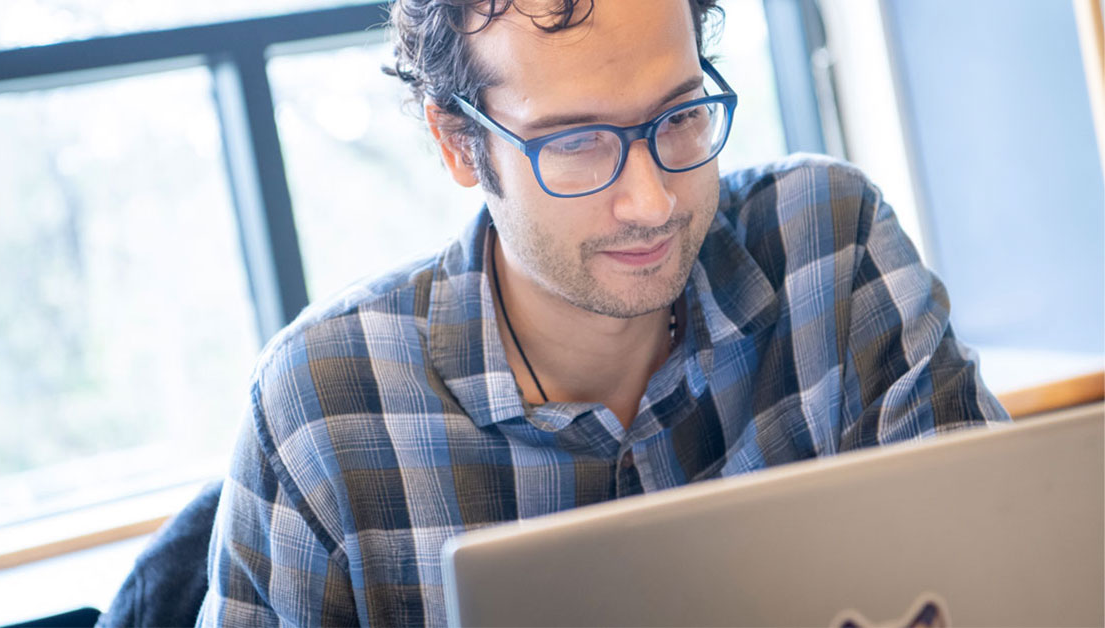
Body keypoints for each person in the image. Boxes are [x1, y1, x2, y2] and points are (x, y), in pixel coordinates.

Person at [197, 1, 1009, 625]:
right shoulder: (323, 409)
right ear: (457, 142)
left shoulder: (828, 242)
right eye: (578, 142)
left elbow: (1005, 576)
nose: (652, 201)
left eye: (681, 116)